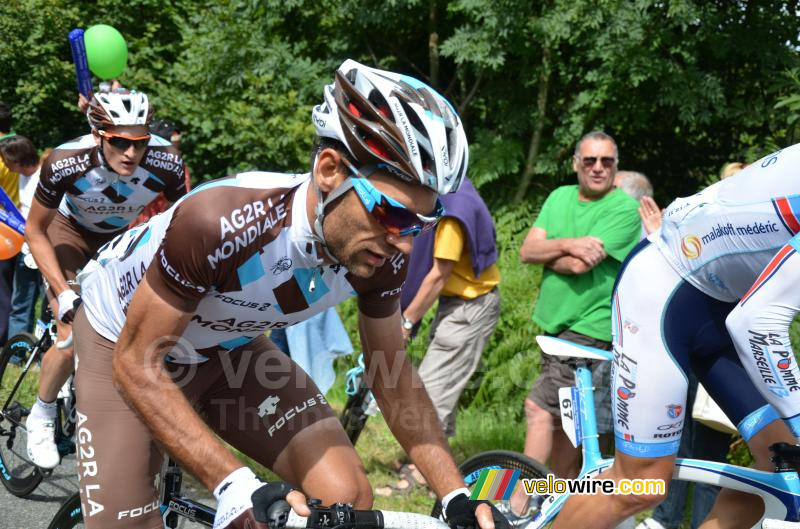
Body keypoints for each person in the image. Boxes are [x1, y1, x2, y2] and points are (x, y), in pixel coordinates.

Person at [71, 59, 508, 529]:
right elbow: (137, 364)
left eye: (422, 224)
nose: (405, 241)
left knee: (344, 497)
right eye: (394, 215)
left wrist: (454, 494)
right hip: (123, 344)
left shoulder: (381, 253)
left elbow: (392, 372)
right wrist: (235, 486)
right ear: (329, 170)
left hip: (227, 352)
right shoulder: (220, 222)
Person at [552, 146, 800, 529]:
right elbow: (759, 324)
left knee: (783, 461)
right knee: (640, 484)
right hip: (663, 295)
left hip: (723, 306)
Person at [24, 88, 188, 470]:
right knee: (72, 332)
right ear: (98, 135)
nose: (131, 153)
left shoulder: (166, 163)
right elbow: (35, 230)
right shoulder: (65, 161)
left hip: (116, 237)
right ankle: (41, 413)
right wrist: (63, 293)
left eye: (140, 142)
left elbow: (181, 223)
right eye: (119, 142)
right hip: (65, 229)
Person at [506, 131, 641, 523]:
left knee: (539, 409)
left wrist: (554, 251)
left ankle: (517, 505)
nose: (598, 168)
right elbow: (527, 250)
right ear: (576, 164)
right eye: (590, 161)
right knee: (570, 426)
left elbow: (582, 265)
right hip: (553, 327)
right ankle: (557, 504)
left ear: (616, 168)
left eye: (607, 162)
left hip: (589, 329)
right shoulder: (558, 197)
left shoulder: (624, 209)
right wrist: (572, 242)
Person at [400, 177, 501, 438]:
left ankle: (424, 472)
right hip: (459, 303)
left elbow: (439, 275)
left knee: (428, 394)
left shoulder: (451, 213)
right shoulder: (457, 189)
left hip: (470, 308)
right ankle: (437, 460)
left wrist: (407, 323)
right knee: (439, 389)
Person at [0, 136, 45, 337]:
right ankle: (15, 354)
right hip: (25, 250)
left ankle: (44, 353)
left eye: (5, 159)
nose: (3, 163)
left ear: (16, 159)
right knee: (21, 302)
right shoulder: (22, 176)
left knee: (47, 305)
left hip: (45, 250)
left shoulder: (44, 177)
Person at [0, 102, 21, 345]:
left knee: (3, 290)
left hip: (3, 227)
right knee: (16, 289)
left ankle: (3, 338)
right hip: (21, 225)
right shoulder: (19, 148)